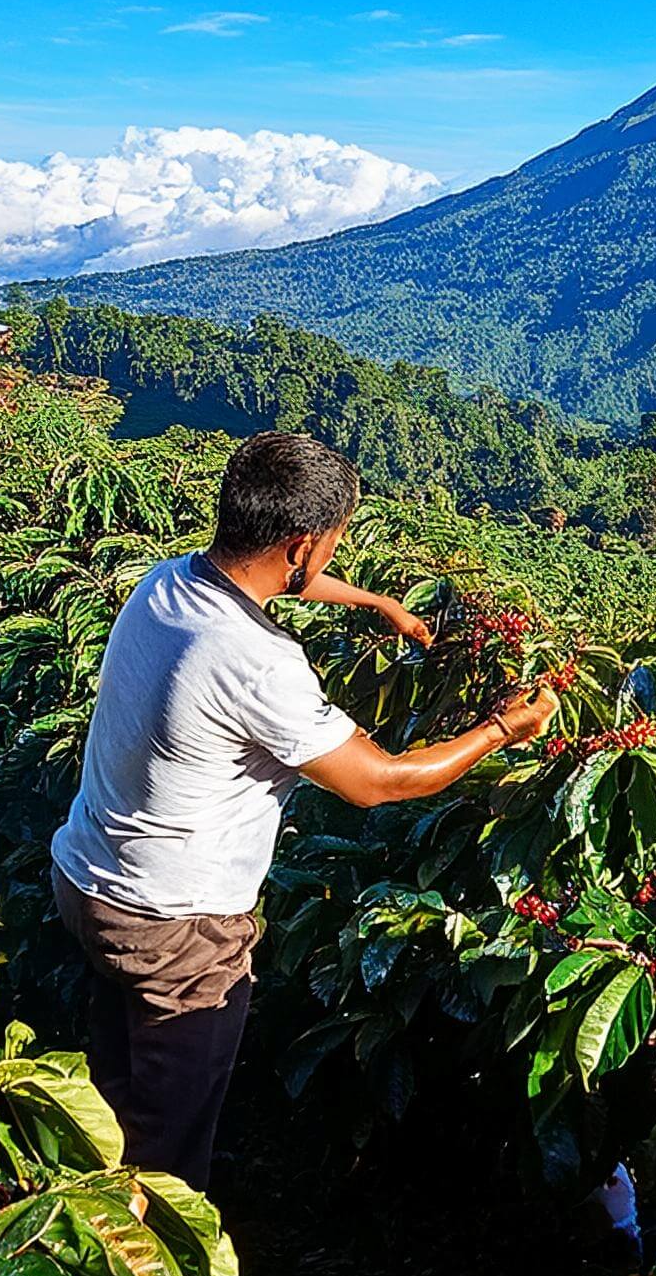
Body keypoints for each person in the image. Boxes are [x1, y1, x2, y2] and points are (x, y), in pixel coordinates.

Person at [50, 431, 558, 1192]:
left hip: (89, 881)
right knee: (168, 1158)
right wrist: (500, 731)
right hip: (176, 929)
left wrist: (376, 600)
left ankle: (85, 1215)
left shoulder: (166, 585)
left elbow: (277, 579)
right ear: (300, 543)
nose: (333, 555)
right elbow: (379, 781)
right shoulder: (256, 664)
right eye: (333, 542)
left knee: (116, 1097)